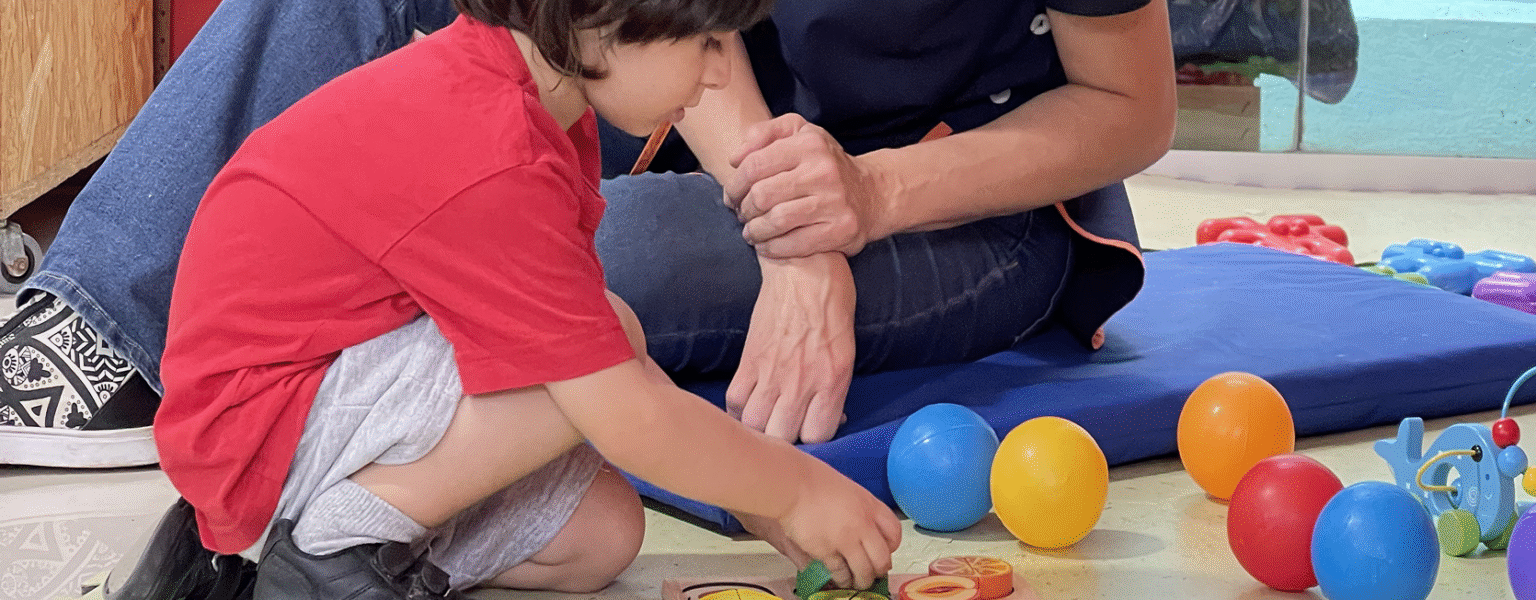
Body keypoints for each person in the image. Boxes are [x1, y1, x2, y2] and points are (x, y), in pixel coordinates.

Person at [0, 0, 1171, 463]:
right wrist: (792, 234)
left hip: (953, 203)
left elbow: (1132, 106)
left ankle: (325, 357)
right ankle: (104, 319)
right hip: (716, 133)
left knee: (574, 272)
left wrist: (860, 204)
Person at [121, 0, 903, 598]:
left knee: (604, 535)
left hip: (322, 398)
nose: (716, 73)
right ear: (595, 22)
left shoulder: (543, 103)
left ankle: (374, 549)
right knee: (607, 364)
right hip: (263, 425)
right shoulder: (492, 143)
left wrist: (766, 513)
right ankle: (334, 549)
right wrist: (793, 486)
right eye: (700, 42)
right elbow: (623, 411)